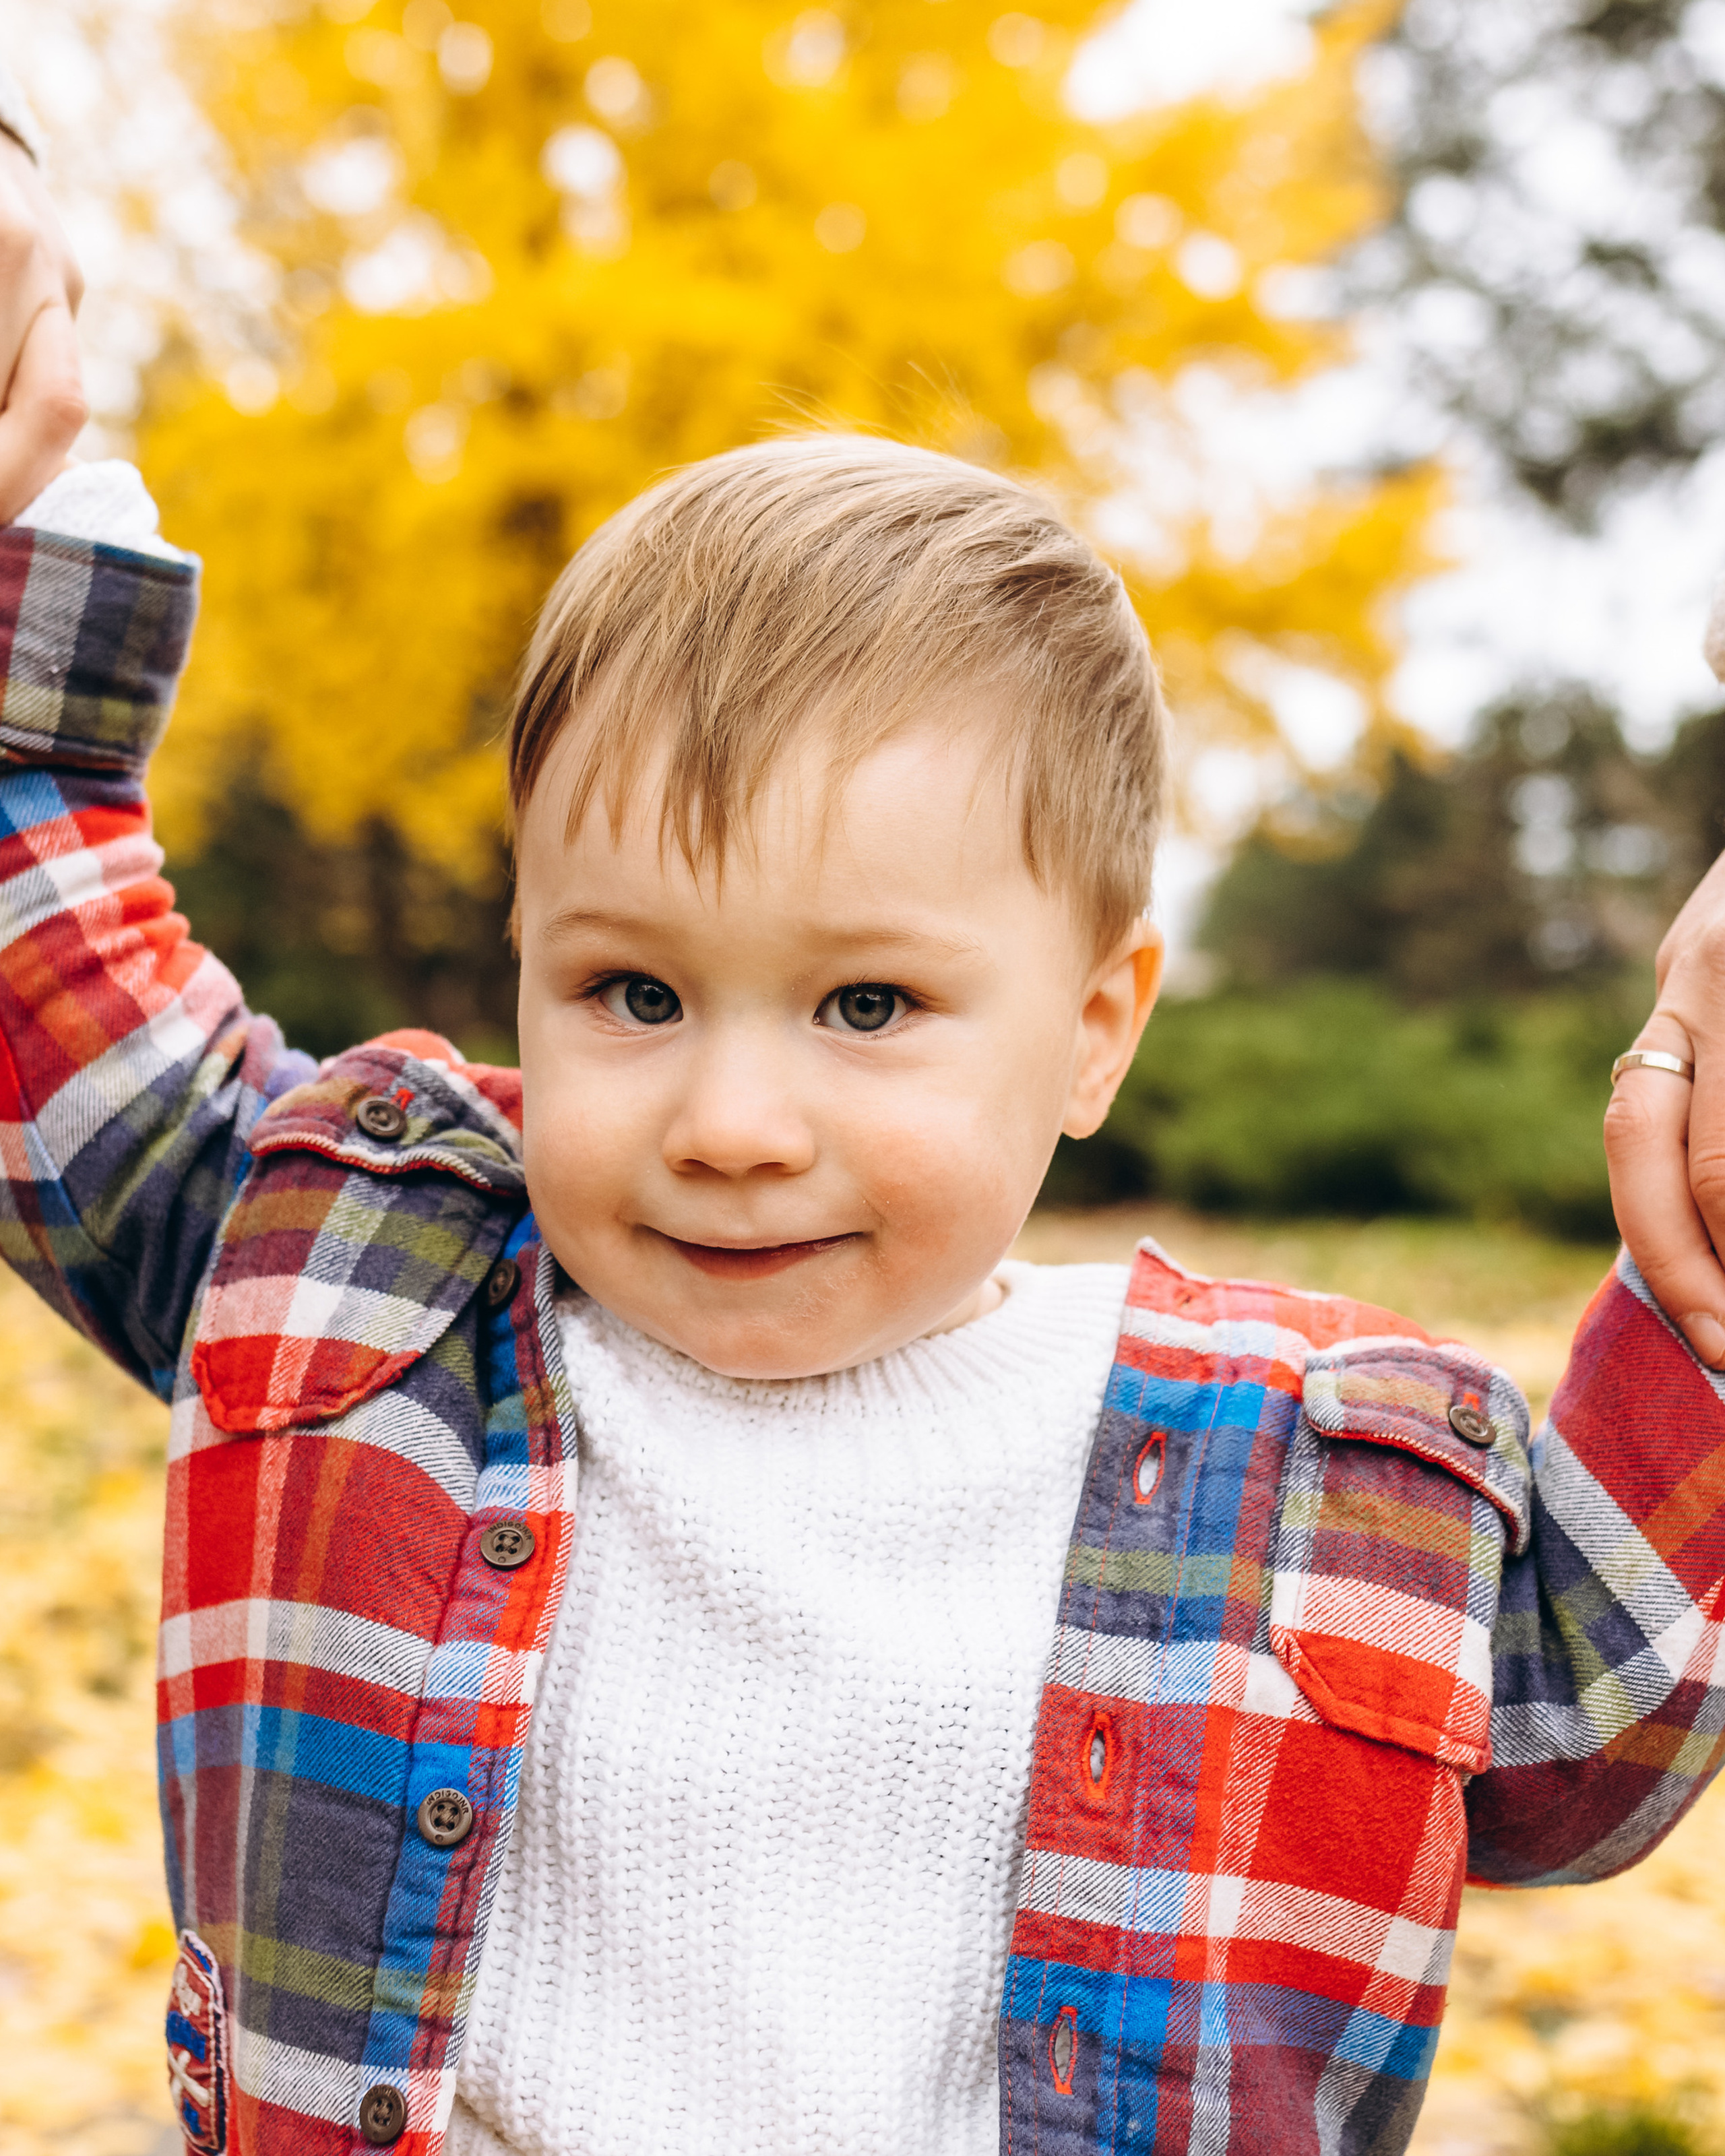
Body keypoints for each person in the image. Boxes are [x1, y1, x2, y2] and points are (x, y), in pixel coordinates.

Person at [2, 71, 1725, 2156]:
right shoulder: (349, 1277)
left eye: (867, 1005)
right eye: (630, 991)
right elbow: (50, 976)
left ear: (1095, 1030)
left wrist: (1701, 1306)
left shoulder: (1300, 1484)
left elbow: (1592, 1736)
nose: (730, 1118)